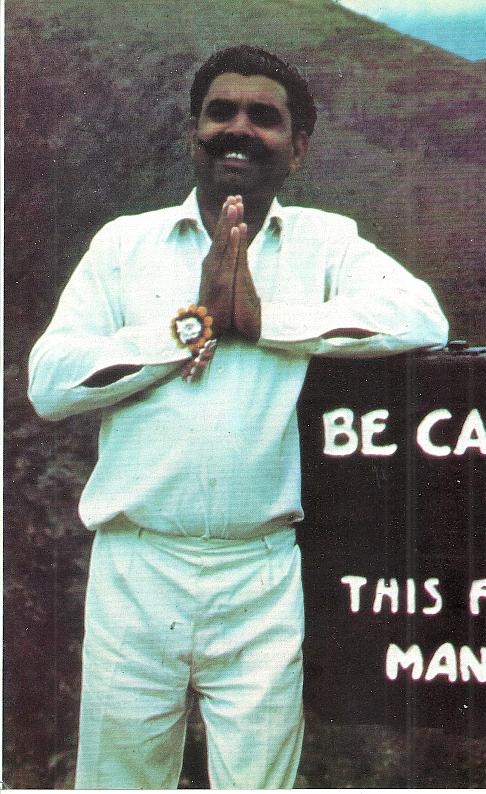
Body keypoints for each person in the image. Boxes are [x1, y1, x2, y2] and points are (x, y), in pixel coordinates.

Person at [28, 45, 448, 789]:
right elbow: (51, 384)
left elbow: (421, 318)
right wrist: (186, 329)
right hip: (136, 566)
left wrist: (264, 319)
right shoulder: (125, 246)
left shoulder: (324, 241)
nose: (239, 129)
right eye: (221, 111)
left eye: (265, 117)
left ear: (298, 147)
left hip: (258, 575)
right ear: (194, 132)